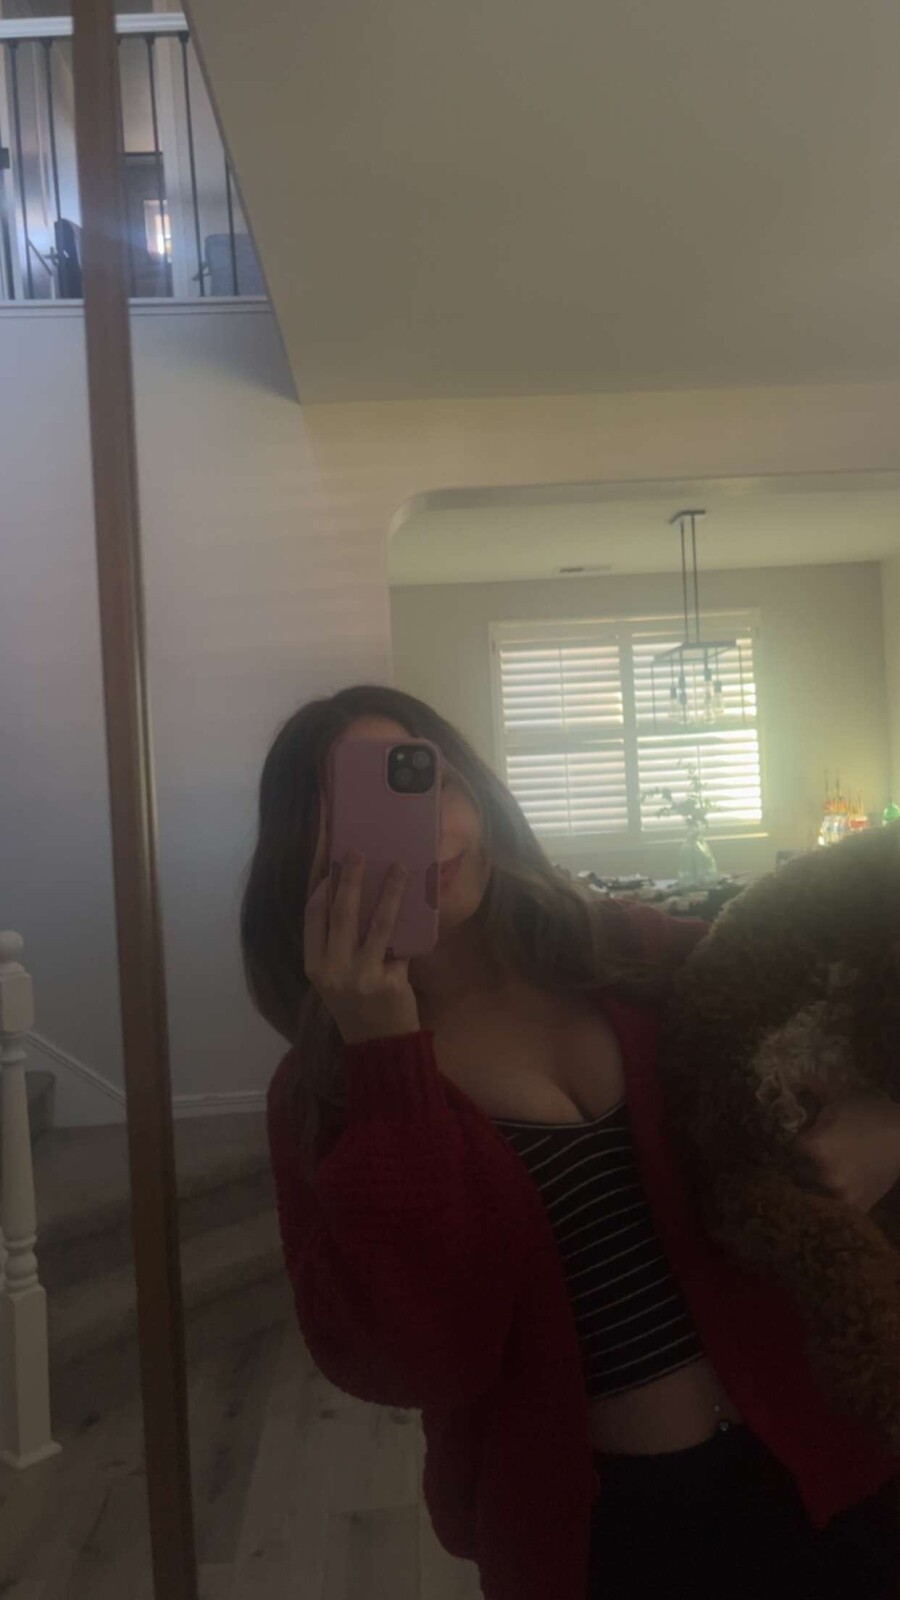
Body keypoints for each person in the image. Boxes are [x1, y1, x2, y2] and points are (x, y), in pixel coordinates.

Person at [242, 684, 900, 1600]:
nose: (421, 829)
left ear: (478, 795)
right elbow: (420, 1361)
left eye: (427, 780)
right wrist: (386, 1059)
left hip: (834, 1466)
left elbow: (859, 1001)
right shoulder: (325, 1095)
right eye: (359, 805)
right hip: (604, 1536)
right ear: (304, 857)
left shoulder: (639, 956)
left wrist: (888, 1128)